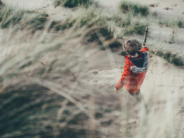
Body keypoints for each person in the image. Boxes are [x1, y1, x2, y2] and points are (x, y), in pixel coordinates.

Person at [114, 40, 149, 106]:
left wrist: (117, 87)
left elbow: (124, 79)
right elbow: (145, 51)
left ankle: (145, 108)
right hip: (139, 81)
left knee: (139, 98)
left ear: (127, 52)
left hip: (132, 87)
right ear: (136, 48)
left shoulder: (129, 65)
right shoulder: (144, 55)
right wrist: (145, 47)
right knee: (138, 93)